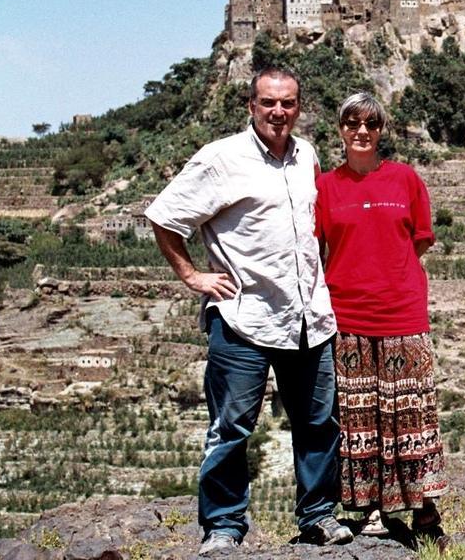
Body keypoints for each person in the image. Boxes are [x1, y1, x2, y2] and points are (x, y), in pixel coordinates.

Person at [145, 67, 353, 555]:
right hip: (244, 317)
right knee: (231, 428)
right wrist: (192, 276)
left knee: (319, 422)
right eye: (268, 102)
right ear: (251, 106)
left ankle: (318, 517)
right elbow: (164, 217)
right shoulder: (221, 158)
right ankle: (223, 527)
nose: (278, 111)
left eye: (287, 103)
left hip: (307, 317)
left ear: (299, 107)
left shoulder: (307, 156)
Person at [314, 92, 449, 544]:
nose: (362, 131)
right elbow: (318, 248)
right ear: (341, 129)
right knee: (360, 418)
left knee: (411, 414)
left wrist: (390, 277)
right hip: (348, 317)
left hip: (402, 315)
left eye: (371, 124)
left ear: (381, 131)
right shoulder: (325, 188)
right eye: (353, 123)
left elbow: (420, 240)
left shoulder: (405, 180)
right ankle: (371, 507)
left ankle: (423, 510)